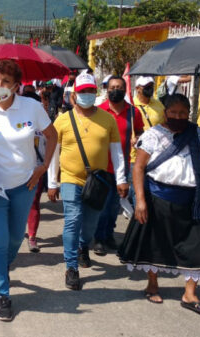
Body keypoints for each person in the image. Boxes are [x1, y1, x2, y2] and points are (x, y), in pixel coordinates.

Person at [118, 94, 200, 317]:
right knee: (156, 244)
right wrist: (140, 201)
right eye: (174, 113)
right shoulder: (153, 136)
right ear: (165, 113)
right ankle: (152, 284)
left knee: (197, 247)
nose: (179, 117)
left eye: (183, 113)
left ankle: (190, 294)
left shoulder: (196, 133)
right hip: (158, 197)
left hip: (192, 200)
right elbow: (139, 168)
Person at [0, 60, 57, 320]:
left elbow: (52, 135)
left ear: (17, 86)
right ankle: (3, 294)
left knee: (14, 239)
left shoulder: (31, 107)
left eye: (5, 81)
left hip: (25, 184)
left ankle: (4, 265)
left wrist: (43, 166)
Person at [48, 73, 128, 291]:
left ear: (96, 92)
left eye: (90, 91)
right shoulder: (63, 120)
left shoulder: (107, 119)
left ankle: (84, 246)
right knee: (73, 220)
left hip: (99, 180)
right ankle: (71, 267)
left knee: (91, 223)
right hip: (70, 178)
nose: (86, 95)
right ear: (74, 95)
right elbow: (54, 152)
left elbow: (117, 153)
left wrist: (121, 179)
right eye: (82, 92)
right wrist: (52, 182)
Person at [93, 76, 144, 256]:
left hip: (122, 166)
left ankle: (108, 235)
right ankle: (98, 238)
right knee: (102, 205)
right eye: (113, 87)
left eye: (120, 87)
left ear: (125, 90)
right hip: (101, 165)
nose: (116, 90)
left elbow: (140, 130)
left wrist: (137, 138)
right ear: (107, 90)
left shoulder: (133, 113)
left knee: (115, 204)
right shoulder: (99, 111)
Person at [25, 80, 56, 253]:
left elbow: (51, 147)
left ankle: (32, 236)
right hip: (15, 171)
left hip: (36, 170)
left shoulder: (45, 127)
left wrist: (45, 169)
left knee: (34, 203)